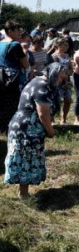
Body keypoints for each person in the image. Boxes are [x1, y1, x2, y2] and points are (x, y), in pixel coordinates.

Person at [4, 62, 66, 198]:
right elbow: (42, 114)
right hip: (26, 128)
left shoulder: (41, 83)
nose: (61, 81)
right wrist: (50, 131)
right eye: (60, 78)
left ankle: (24, 193)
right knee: (25, 158)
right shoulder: (41, 86)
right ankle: (23, 194)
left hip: (29, 128)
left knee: (28, 158)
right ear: (53, 74)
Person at [0, 20, 32, 133]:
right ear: (10, 31)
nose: (20, 32)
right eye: (17, 30)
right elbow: (25, 64)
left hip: (1, 76)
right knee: (12, 103)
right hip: (12, 79)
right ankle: (6, 128)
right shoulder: (14, 44)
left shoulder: (1, 42)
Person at [51, 38, 73, 125]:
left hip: (67, 80)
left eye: (66, 45)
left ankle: (63, 119)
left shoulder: (67, 55)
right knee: (55, 101)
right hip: (57, 81)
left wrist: (68, 74)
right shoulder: (54, 56)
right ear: (58, 45)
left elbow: (71, 68)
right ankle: (52, 119)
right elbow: (57, 69)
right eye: (63, 45)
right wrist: (64, 80)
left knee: (68, 100)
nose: (65, 46)